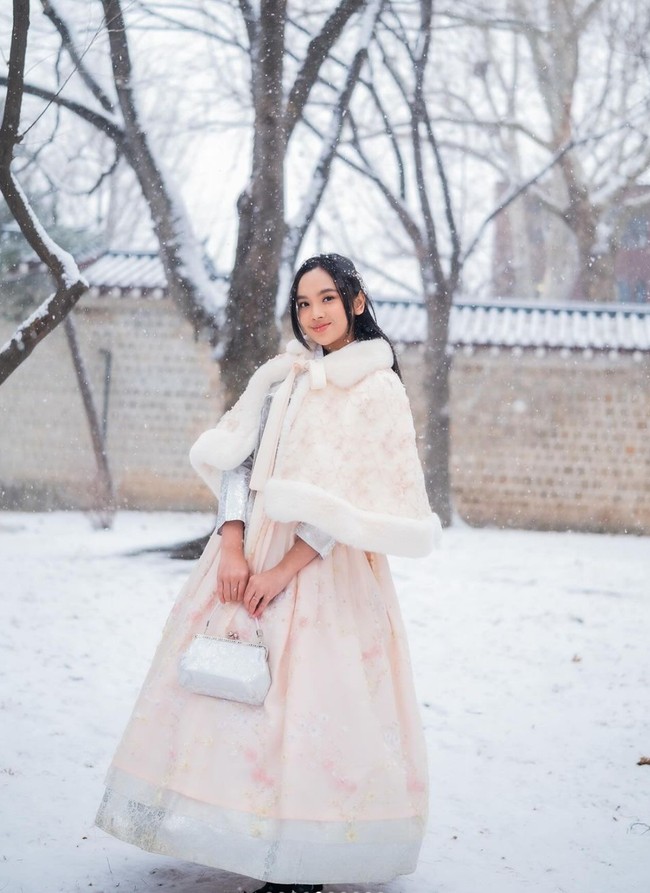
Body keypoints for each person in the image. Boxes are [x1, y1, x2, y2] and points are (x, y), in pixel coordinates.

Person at [96, 254, 441, 893]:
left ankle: (302, 855)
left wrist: (285, 568)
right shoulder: (284, 377)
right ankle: (240, 832)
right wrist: (232, 542)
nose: (315, 314)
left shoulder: (375, 387)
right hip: (251, 545)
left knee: (309, 698)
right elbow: (239, 459)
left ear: (357, 302)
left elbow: (355, 495)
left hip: (322, 563)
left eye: (328, 299)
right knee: (227, 684)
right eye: (304, 303)